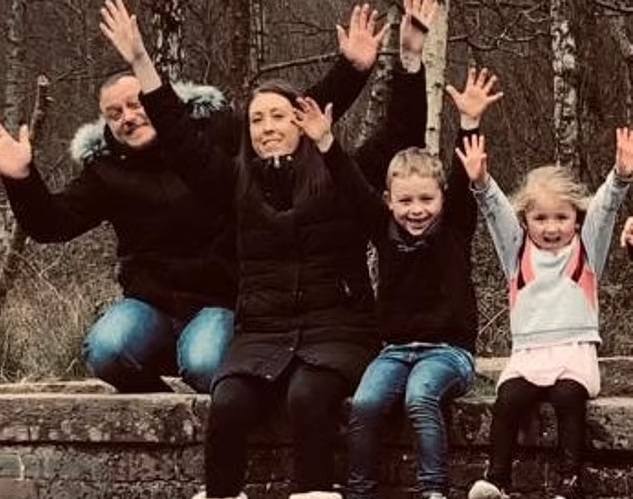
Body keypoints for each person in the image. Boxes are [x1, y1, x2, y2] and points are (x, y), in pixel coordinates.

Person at [0, 0, 381, 394]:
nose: (127, 117)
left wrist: (351, 69)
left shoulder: (211, 134)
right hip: (150, 305)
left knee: (205, 363)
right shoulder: (105, 172)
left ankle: (204, 391)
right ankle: (161, 406)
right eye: (114, 114)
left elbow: (289, 119)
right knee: (106, 349)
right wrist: (21, 178)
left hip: (218, 300)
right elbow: (52, 224)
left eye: (135, 104)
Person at [98, 1, 394, 498]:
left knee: (306, 397)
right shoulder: (236, 183)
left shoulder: (339, 174)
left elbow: (395, 128)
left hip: (337, 331)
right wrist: (141, 62)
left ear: (303, 124)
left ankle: (313, 492)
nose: (267, 127)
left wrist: (377, 65)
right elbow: (180, 139)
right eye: (256, 120)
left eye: (278, 117)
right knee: (229, 401)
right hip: (263, 334)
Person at [294, 28, 502, 499]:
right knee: (365, 404)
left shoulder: (453, 228)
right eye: (405, 201)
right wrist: (325, 142)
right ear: (389, 202)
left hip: (448, 352)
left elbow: (461, 173)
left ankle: (432, 490)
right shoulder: (382, 228)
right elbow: (351, 183)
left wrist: (469, 122)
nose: (416, 210)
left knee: (419, 397)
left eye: (426, 200)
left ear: (441, 199)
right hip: (394, 350)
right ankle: (361, 489)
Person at [459, 130, 633, 499]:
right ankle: (497, 480)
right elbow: (496, 213)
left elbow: (605, 210)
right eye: (540, 218)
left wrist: (619, 177)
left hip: (574, 353)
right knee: (508, 399)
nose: (551, 227)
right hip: (528, 355)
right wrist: (482, 183)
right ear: (525, 220)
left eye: (561, 217)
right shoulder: (516, 252)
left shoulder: (587, 250)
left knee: (568, 397)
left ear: (576, 219)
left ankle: (569, 483)